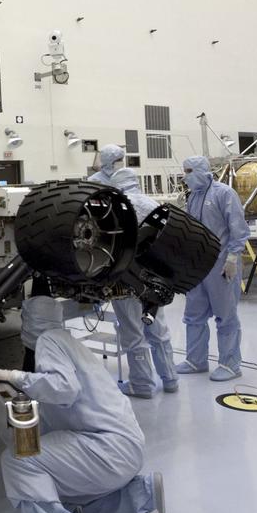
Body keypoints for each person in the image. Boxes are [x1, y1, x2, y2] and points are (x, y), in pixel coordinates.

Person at [0, 296, 164, 513]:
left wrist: (11, 376)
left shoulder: (48, 340)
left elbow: (64, 389)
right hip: (123, 447)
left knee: (19, 461)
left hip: (106, 448)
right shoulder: (71, 344)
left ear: (30, 322)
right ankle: (142, 502)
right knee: (67, 491)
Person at [88, 144, 178, 397]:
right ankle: (170, 379)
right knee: (158, 328)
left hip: (126, 280)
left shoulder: (116, 209)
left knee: (133, 333)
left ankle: (142, 385)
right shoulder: (151, 203)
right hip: (154, 279)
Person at [175, 155, 250, 382]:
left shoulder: (224, 193)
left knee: (225, 315)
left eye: (189, 171)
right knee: (193, 315)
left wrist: (232, 258)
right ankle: (196, 360)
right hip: (198, 267)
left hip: (221, 266)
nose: (185, 177)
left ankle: (230, 364)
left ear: (202, 171)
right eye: (185, 172)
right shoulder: (193, 197)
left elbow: (239, 229)